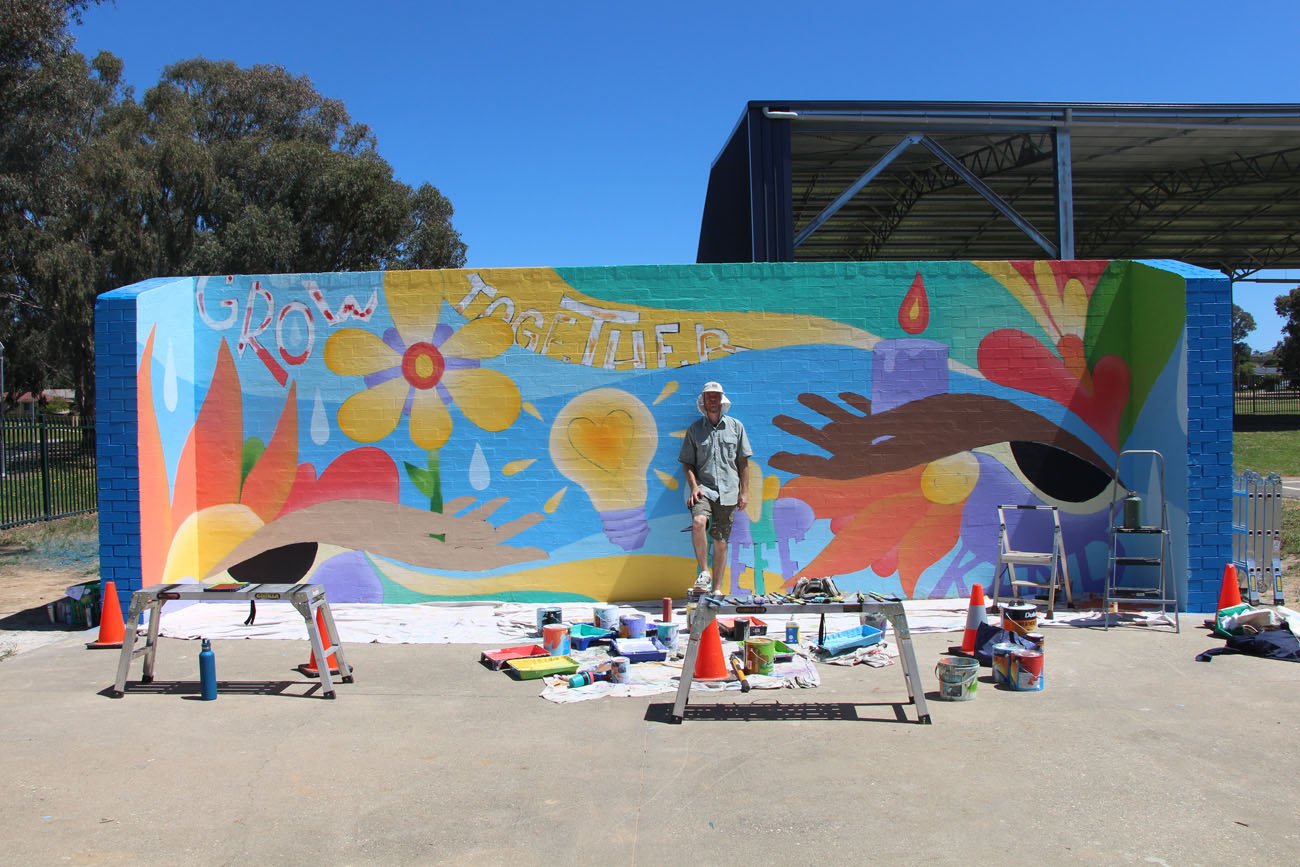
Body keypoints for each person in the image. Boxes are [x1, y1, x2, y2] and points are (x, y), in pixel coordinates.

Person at [679, 381, 752, 593]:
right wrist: (694, 487)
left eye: (716, 395)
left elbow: (743, 462)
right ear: (703, 400)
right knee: (699, 521)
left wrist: (744, 492)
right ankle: (704, 571)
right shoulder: (694, 430)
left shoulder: (736, 427)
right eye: (708, 396)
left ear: (722, 399)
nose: (712, 399)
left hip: (729, 492)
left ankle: (717, 589)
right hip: (704, 489)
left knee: (720, 542)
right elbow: (687, 462)